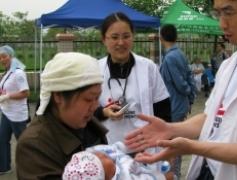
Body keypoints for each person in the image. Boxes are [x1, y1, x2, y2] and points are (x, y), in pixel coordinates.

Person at [125, 0, 237, 180]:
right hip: (208, 170)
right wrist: (171, 128)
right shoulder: (229, 65)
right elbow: (211, 117)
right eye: (218, 13)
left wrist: (193, 147)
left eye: (229, 12)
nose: (222, 23)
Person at [16, 52, 108, 179]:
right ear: (58, 96)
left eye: (98, 97)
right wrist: (101, 173)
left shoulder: (90, 127)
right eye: (89, 99)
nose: (95, 105)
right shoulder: (34, 145)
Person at [98, 12, 171, 146]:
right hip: (109, 150)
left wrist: (167, 146)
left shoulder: (148, 67)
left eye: (126, 36)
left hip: (144, 148)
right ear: (104, 39)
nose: (121, 42)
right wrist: (103, 112)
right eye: (114, 37)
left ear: (133, 37)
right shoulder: (95, 70)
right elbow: (85, 113)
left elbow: (163, 110)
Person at [159, 24, 197, 180]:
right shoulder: (180, 54)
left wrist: (188, 93)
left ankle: (174, 175)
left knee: (172, 145)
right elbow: (189, 77)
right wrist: (191, 98)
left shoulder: (169, 58)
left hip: (174, 106)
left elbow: (181, 83)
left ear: (161, 38)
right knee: (175, 143)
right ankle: (175, 174)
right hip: (180, 104)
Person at [63, 141, 168, 180]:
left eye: (98, 155)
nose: (102, 155)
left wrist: (135, 145)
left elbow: (115, 148)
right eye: (103, 159)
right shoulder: (125, 177)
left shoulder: (99, 152)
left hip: (140, 161)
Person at [0, 45, 30, 175]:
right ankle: (4, 167)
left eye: (4, 56)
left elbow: (25, 93)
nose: (2, 59)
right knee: (2, 140)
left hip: (17, 115)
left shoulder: (18, 73)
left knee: (23, 142)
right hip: (7, 112)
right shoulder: (7, 72)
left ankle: (32, 165)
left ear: (11, 56)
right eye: (0, 57)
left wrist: (7, 96)